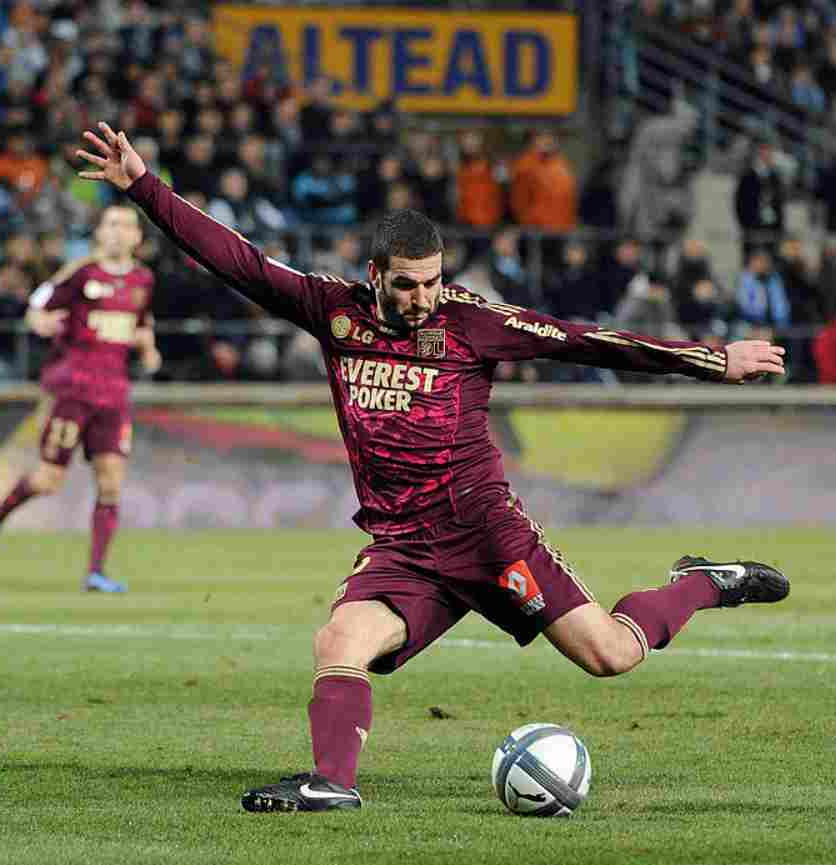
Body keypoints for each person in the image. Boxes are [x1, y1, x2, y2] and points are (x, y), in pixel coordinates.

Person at [75, 122, 790, 812]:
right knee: (341, 640)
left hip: (486, 533)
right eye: (410, 285)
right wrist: (143, 186)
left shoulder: (472, 322)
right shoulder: (333, 311)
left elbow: (586, 341)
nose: (425, 299)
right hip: (406, 546)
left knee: (609, 654)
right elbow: (237, 260)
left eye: (434, 283)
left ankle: (701, 583)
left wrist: (711, 359)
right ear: (375, 274)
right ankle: (333, 782)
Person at [0, 204, 160, 593]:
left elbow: (141, 323)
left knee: (110, 483)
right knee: (48, 479)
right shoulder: (81, 273)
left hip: (114, 394)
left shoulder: (143, 280)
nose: (119, 231)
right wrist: (37, 320)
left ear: (138, 237)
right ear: (99, 233)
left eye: (127, 225)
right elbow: (38, 305)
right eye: (111, 224)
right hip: (73, 389)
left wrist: (148, 348)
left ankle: (95, 572)